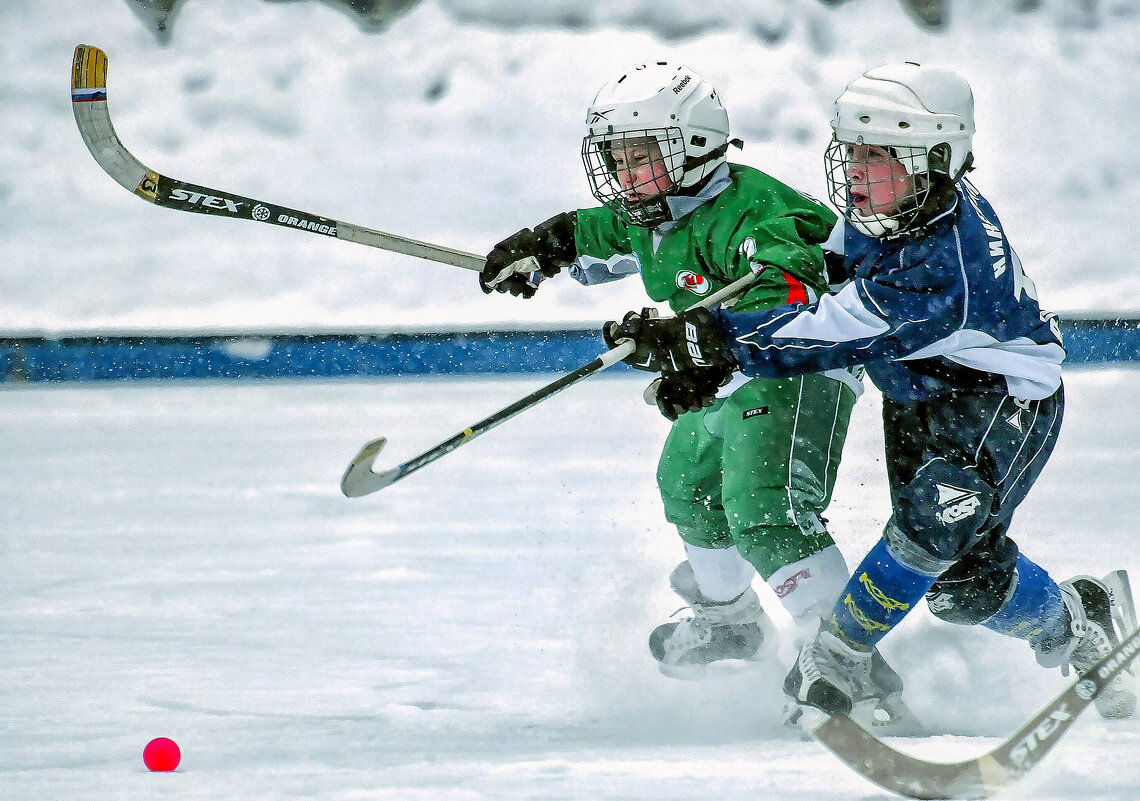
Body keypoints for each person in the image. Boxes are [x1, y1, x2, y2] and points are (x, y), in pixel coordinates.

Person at [606, 62, 1137, 720]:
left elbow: (827, 332)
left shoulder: (944, 269)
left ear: (935, 159)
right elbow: (826, 274)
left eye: (876, 156)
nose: (854, 171)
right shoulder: (892, 206)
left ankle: (841, 654)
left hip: (999, 404)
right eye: (851, 152)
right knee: (962, 587)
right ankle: (1082, 616)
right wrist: (716, 315)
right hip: (918, 393)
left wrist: (707, 340)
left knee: (927, 529)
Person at [478, 62, 884, 689]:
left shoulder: (755, 209)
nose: (621, 173)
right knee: (686, 482)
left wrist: (689, 332)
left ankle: (843, 659)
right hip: (717, 369)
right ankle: (731, 621)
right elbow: (598, 233)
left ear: (694, 147)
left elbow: (793, 292)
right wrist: (545, 246)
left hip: (799, 365)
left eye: (638, 156)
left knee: (765, 504)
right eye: (614, 158)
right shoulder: (653, 210)